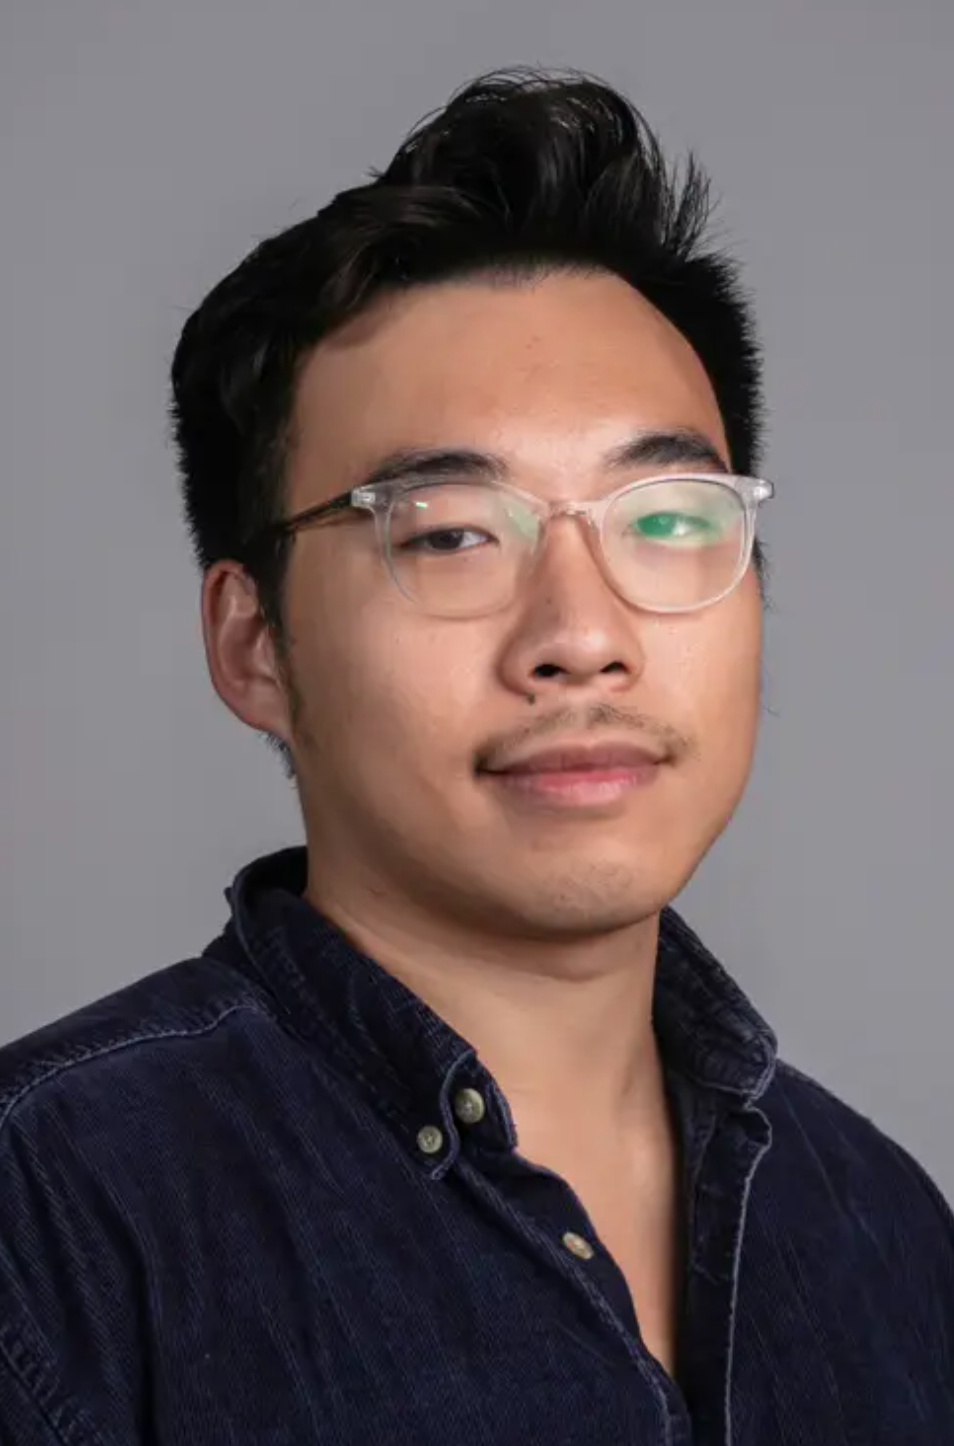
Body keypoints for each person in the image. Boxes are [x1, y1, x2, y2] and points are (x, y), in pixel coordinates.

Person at [0, 67, 951, 1446]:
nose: (580, 634)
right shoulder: (50, 1219)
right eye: (449, 529)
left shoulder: (883, 1224)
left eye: (668, 520)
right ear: (253, 643)